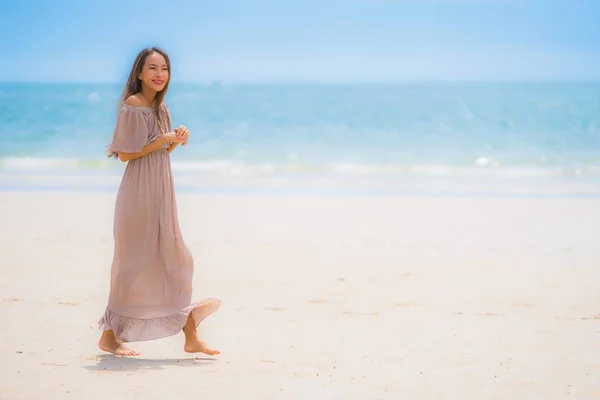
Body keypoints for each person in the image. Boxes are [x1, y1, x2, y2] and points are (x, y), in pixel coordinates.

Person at [98, 47, 220, 357]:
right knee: (132, 264)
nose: (159, 74)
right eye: (152, 68)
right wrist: (162, 140)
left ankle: (190, 337)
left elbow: (160, 153)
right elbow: (126, 154)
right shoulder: (133, 105)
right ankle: (109, 336)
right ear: (139, 73)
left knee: (178, 259)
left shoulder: (161, 108)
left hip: (162, 190)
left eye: (164, 68)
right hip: (138, 193)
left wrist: (176, 139)